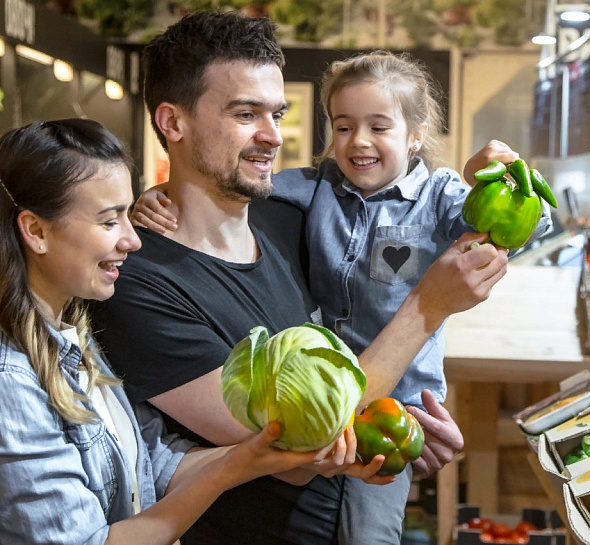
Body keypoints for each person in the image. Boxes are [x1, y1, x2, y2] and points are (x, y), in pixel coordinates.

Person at [91, 11, 510, 545]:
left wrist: (400, 431)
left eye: (277, 113)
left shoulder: (292, 221)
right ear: (173, 123)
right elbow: (288, 448)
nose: (272, 136)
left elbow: (352, 367)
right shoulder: (138, 282)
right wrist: (429, 306)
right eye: (246, 114)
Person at [0, 118, 378, 545]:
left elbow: (158, 461)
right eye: (109, 221)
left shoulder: (76, 337)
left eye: (129, 213)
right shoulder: (11, 381)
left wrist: (268, 456)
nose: (133, 239)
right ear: (35, 230)